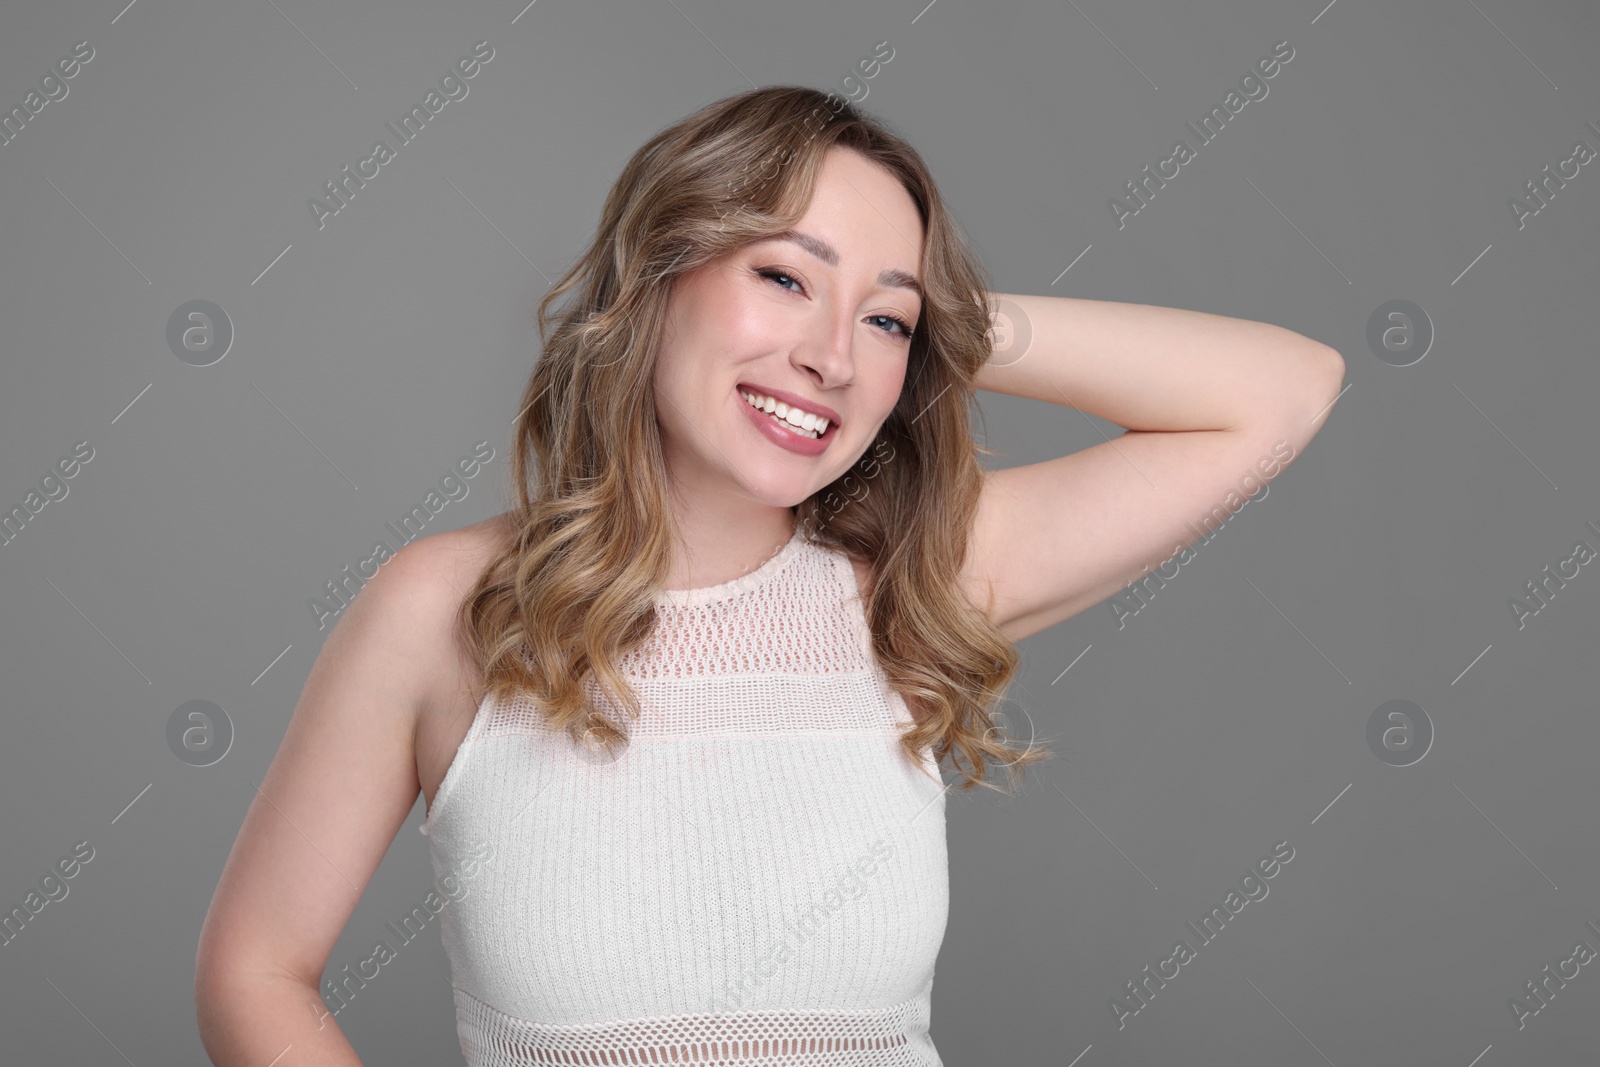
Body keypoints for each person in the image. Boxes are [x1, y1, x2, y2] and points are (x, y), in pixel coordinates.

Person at [193, 85, 1343, 1066]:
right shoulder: (444, 611)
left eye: (884, 322)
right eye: (787, 279)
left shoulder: (912, 576)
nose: (831, 356)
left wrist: (944, 316)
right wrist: (884, 302)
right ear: (658, 276)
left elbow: (1284, 389)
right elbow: (256, 967)